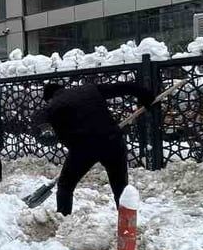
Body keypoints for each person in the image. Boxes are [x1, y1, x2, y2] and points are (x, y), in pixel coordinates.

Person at [34, 80, 155, 216]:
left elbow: (40, 118)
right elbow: (123, 87)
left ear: (49, 97)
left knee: (65, 186)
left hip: (83, 149)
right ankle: (127, 226)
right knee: (120, 188)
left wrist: (45, 130)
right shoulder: (90, 90)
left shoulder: (53, 104)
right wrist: (146, 95)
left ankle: (63, 217)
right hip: (112, 141)